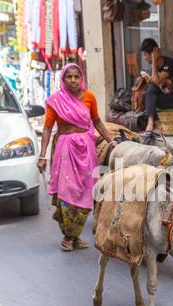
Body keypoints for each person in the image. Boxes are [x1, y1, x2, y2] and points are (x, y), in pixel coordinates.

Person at [37, 63, 117, 252]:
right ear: (63, 79)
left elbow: (96, 120)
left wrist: (111, 141)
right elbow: (47, 128)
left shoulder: (89, 97)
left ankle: (76, 235)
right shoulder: (55, 100)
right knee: (67, 191)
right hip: (65, 149)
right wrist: (43, 155)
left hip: (86, 148)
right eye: (69, 77)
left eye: (76, 77)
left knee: (87, 190)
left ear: (81, 78)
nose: (73, 80)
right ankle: (67, 236)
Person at [140, 38, 173, 133]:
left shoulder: (170, 63)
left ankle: (151, 123)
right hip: (166, 97)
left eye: (145, 55)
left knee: (151, 90)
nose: (144, 58)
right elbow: (155, 83)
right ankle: (155, 122)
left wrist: (153, 60)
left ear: (152, 53)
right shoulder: (155, 66)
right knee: (146, 94)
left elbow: (157, 81)